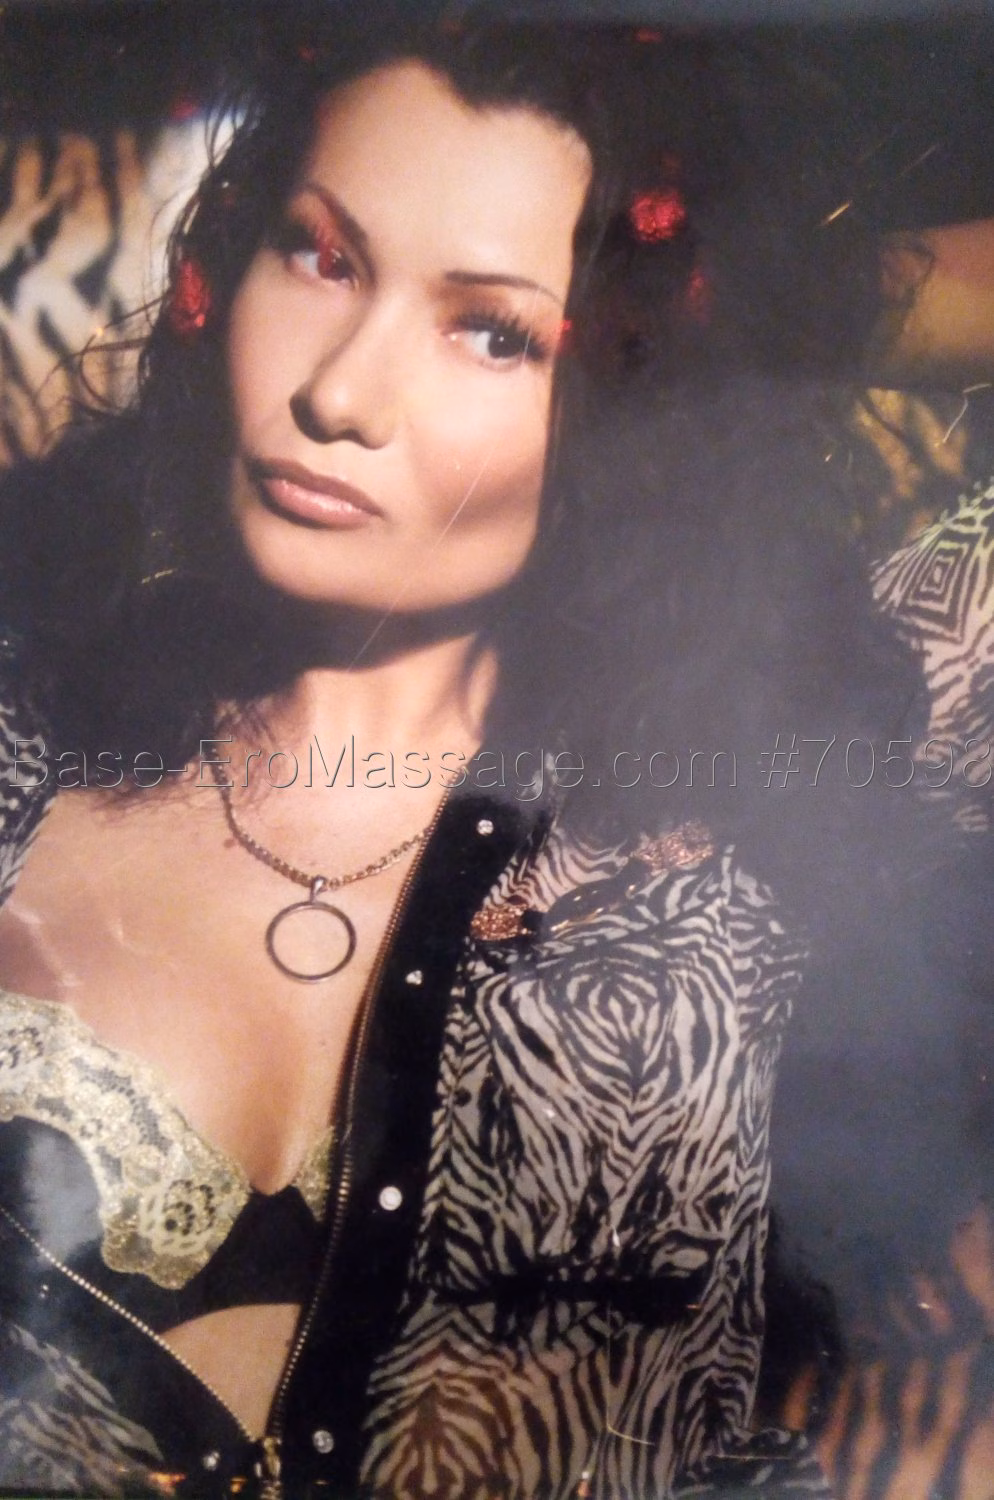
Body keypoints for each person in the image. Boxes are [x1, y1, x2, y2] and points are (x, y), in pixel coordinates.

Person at [0, 13, 948, 1498]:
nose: (338, 394)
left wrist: (772, 301)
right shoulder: (29, 724)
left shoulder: (750, 858)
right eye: (321, 257)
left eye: (493, 331)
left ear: (646, 396)